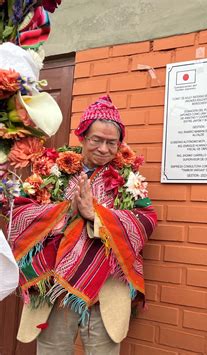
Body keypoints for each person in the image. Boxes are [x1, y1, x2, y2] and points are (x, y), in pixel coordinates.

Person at [9, 95, 157, 354]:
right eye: (96, 140)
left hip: (105, 291)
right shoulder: (52, 170)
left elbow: (146, 220)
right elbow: (20, 214)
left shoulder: (128, 179)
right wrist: (65, 211)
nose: (103, 149)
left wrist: (96, 215)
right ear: (82, 137)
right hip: (55, 291)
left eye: (112, 143)